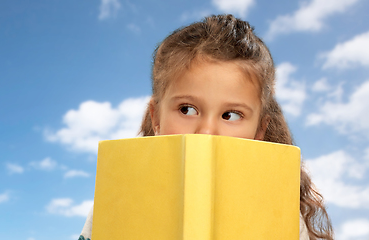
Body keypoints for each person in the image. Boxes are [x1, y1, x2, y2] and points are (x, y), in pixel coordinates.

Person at [78, 14, 333, 240]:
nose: (207, 131)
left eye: (231, 115)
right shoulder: (117, 197)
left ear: (259, 131)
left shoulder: (278, 209)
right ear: (156, 118)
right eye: (187, 109)